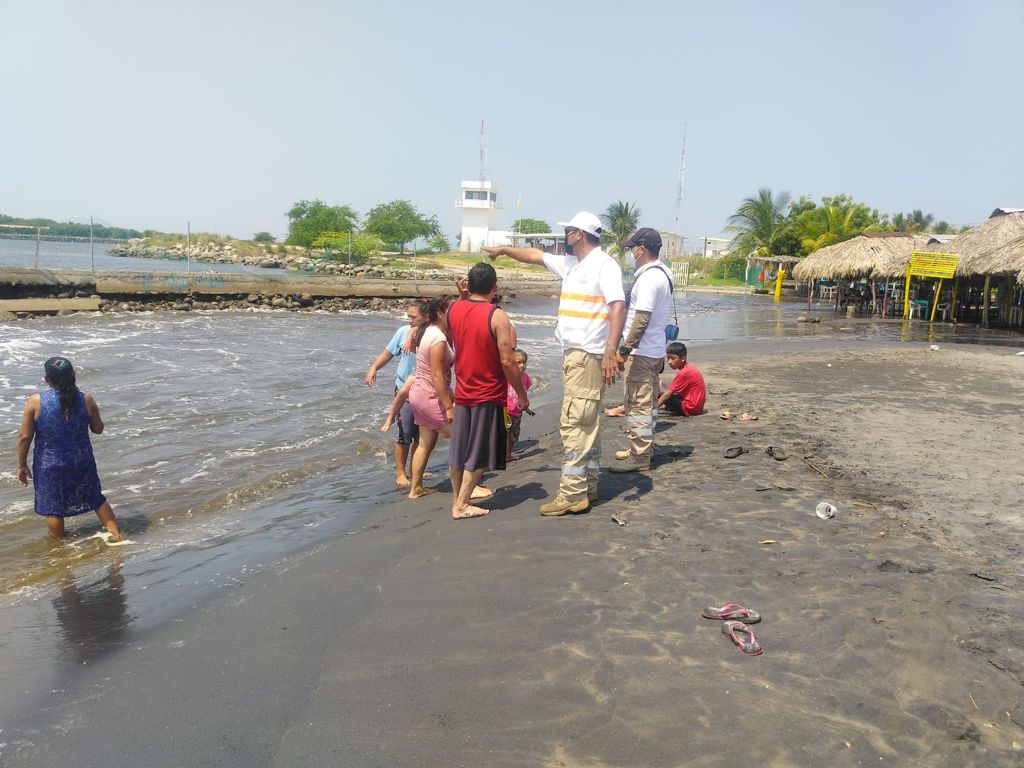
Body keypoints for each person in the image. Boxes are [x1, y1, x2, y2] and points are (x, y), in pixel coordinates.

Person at [484, 210, 625, 516]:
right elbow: (535, 255)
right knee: (586, 421)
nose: (565, 235)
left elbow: (617, 305)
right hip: (576, 354)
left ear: (580, 234)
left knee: (575, 422)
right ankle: (587, 485)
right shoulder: (572, 264)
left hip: (588, 354)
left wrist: (612, 350)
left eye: (569, 230)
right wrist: (504, 250)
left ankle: (573, 494)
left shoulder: (604, 265)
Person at [445, 263, 528, 519]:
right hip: (488, 391)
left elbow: (451, 337)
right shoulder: (497, 315)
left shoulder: (454, 308)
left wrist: (460, 297)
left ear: (468, 284)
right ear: (495, 287)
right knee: (478, 452)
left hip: (463, 389)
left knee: (459, 449)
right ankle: (460, 505)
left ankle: (459, 498)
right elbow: (507, 361)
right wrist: (522, 395)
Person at [16, 357, 123, 541]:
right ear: (72, 376)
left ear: (47, 379)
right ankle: (117, 536)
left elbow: (25, 437)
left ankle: (59, 550)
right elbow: (98, 429)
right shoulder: (86, 399)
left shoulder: (36, 402)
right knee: (96, 499)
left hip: (49, 465)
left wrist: (21, 465)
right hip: (81, 461)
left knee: (54, 509)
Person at [610, 227, 675, 473]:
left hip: (642, 352)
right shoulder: (664, 272)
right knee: (648, 404)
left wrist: (624, 350)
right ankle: (642, 448)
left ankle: (639, 457)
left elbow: (641, 319)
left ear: (642, 249)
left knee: (638, 404)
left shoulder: (649, 278)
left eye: (631, 248)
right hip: (654, 349)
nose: (630, 252)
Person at [365, 300, 427, 487]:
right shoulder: (402, 332)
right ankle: (400, 473)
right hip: (404, 390)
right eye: (408, 316)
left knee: (422, 434)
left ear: (426, 317)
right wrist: (374, 367)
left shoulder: (432, 334)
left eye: (413, 317)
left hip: (426, 391)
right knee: (404, 432)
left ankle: (413, 470)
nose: (409, 320)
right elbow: (388, 353)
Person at [406, 296, 455, 499]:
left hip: (418, 393)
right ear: (441, 313)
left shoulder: (428, 333)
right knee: (461, 438)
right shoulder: (437, 338)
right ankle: (467, 487)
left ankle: (415, 488)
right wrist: (448, 405)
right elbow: (436, 375)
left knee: (425, 442)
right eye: (451, 311)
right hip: (430, 395)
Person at [657, 342, 706, 416]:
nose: (669, 362)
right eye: (668, 358)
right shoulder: (690, 367)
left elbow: (667, 395)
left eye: (673, 358)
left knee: (658, 389)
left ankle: (651, 408)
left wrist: (653, 410)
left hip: (690, 408)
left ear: (683, 358)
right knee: (662, 383)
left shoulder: (683, 373)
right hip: (697, 407)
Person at [506, 349, 532, 461]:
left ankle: (508, 455)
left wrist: (527, 408)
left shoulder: (526, 378)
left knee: (513, 435)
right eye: (518, 362)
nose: (522, 365)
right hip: (504, 410)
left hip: (517, 412)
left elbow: (524, 395)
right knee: (502, 435)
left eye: (524, 362)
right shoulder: (506, 376)